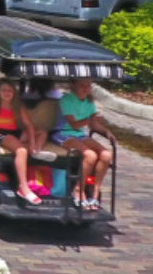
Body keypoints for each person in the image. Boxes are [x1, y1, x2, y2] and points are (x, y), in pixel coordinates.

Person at [0, 80, 44, 204]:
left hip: (13, 132)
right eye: (4, 90)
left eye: (10, 91)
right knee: (21, 151)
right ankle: (23, 188)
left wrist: (33, 142)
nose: (7, 93)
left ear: (14, 93)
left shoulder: (17, 105)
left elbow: (29, 125)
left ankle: (35, 151)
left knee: (42, 132)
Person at [55, 78, 116, 210]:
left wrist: (105, 131)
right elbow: (74, 124)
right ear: (74, 85)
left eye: (88, 85)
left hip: (79, 135)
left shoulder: (89, 102)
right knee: (90, 155)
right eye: (82, 85)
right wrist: (89, 119)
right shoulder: (66, 100)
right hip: (63, 133)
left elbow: (94, 123)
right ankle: (78, 189)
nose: (85, 88)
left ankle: (94, 193)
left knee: (106, 155)